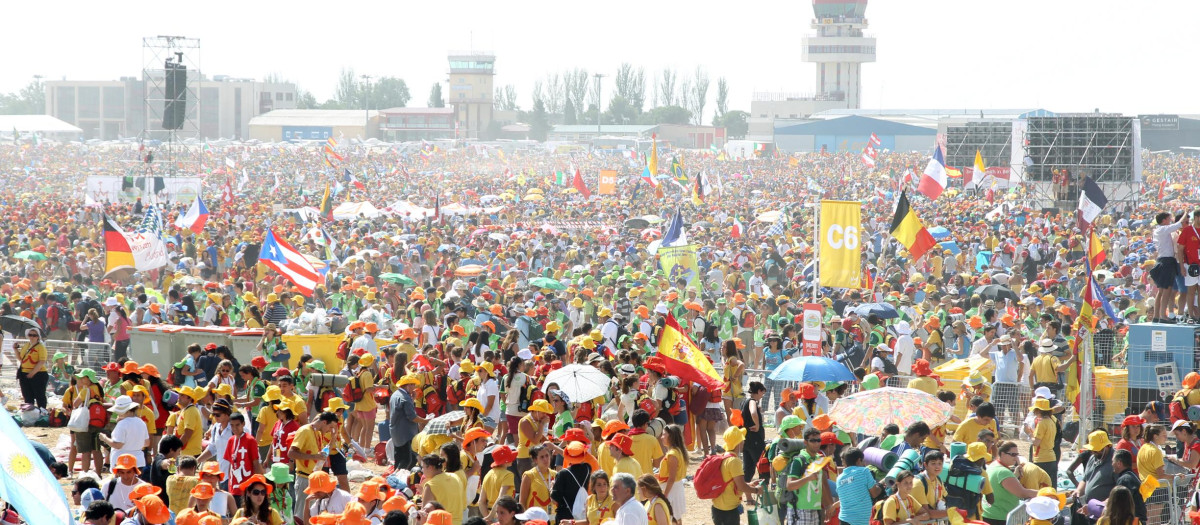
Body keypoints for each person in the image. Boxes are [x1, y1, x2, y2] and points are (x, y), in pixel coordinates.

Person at [713, 426, 763, 525]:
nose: (744, 442)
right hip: (729, 509)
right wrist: (756, 490)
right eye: (742, 440)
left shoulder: (723, 456)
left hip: (717, 506)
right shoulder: (734, 461)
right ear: (738, 443)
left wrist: (749, 484)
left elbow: (731, 481)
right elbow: (741, 486)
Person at [981, 441, 1039, 525]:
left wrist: (1014, 475)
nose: (1016, 458)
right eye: (1013, 455)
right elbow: (1022, 493)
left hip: (990, 515)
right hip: (999, 518)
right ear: (1002, 454)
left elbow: (1004, 485)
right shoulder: (1003, 472)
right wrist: (1044, 493)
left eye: (1017, 454)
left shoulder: (994, 465)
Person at [836, 447, 885, 525]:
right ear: (859, 460)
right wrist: (881, 485)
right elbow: (874, 493)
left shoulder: (839, 478)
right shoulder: (864, 471)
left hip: (844, 519)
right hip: (860, 520)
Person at [101, 396, 150, 470]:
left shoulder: (122, 424)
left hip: (122, 462)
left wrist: (104, 438)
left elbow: (118, 445)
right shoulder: (141, 422)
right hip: (138, 461)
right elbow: (146, 443)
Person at [551, 441, 596, 523]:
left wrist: (552, 487)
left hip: (565, 517)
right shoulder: (587, 468)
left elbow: (554, 500)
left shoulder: (562, 474)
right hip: (582, 517)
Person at [390, 374, 424, 471]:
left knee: (399, 457)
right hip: (406, 433)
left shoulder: (395, 395)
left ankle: (396, 477)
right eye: (413, 385)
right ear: (407, 385)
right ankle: (399, 477)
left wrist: (412, 399)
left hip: (396, 432)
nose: (414, 387)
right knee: (408, 459)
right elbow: (412, 417)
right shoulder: (405, 397)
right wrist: (425, 420)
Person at [419, 454, 466, 525]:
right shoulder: (455, 476)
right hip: (459, 522)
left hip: (441, 522)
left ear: (431, 467)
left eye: (423, 467)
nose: (422, 470)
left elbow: (424, 514)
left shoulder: (430, 485)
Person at [479, 445, 516, 521]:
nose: (513, 459)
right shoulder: (508, 474)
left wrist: (488, 518)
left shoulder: (488, 474)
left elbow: (481, 501)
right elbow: (500, 498)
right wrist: (490, 517)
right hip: (504, 516)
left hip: (491, 515)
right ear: (505, 460)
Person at [1111, 450, 1148, 525]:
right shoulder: (1132, 476)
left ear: (1119, 463)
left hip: (1133, 521)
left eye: (1113, 461)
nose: (1112, 464)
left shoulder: (1125, 480)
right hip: (1137, 521)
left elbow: (1119, 502)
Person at [741, 381, 768, 482]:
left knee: (748, 469)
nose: (762, 396)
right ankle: (763, 491)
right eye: (762, 393)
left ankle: (746, 494)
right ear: (759, 391)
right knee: (762, 465)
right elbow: (753, 413)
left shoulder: (745, 401)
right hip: (755, 440)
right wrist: (757, 425)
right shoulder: (752, 401)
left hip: (747, 439)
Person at [16, 328, 48, 409]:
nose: (32, 337)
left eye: (34, 335)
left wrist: (33, 372)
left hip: (38, 374)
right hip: (24, 372)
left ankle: (42, 412)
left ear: (38, 337)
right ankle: (30, 412)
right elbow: (20, 358)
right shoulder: (26, 345)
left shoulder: (41, 346)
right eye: (30, 335)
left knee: (39, 395)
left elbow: (42, 361)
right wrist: (15, 349)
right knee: (27, 395)